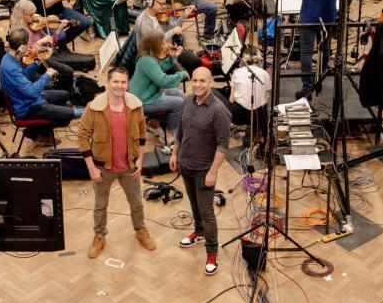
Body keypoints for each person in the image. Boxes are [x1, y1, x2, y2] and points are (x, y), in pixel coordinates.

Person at [79, 66, 155, 258]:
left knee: (137, 202)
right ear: (108, 83)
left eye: (123, 82)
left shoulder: (135, 106)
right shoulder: (94, 108)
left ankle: (140, 230)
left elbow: (143, 133)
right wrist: (91, 169)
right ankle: (99, 235)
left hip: (129, 166)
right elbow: (82, 137)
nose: (119, 86)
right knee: (100, 204)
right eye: (115, 82)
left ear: (127, 84)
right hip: (103, 168)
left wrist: (140, 159)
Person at [168, 66, 231, 276]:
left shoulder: (219, 111)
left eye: (202, 81)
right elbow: (180, 131)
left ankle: (212, 252)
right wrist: (175, 154)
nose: (197, 84)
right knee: (194, 204)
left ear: (210, 82)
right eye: (194, 80)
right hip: (185, 164)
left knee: (207, 212)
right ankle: (199, 232)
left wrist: (213, 171)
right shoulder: (187, 101)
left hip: (204, 170)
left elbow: (223, 145)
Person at [0, 29, 77, 123]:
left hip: (31, 98)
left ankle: (44, 127)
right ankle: (38, 132)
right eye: (27, 45)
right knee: (70, 113)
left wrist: (36, 63)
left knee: (64, 95)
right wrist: (46, 75)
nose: (30, 47)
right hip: (27, 108)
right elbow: (31, 92)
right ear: (21, 48)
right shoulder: (11, 68)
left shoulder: (8, 58)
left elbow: (23, 74)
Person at [129, 28, 188, 142]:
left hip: (149, 92)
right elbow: (163, 80)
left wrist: (175, 56)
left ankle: (154, 122)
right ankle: (170, 133)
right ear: (154, 44)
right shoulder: (147, 60)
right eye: (162, 42)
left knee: (180, 94)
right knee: (179, 103)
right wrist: (181, 75)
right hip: (143, 100)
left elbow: (160, 69)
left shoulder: (148, 54)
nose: (165, 44)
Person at [228, 46, 271, 144]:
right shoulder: (265, 73)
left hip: (238, 116)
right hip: (258, 116)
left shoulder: (237, 72)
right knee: (263, 102)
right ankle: (264, 133)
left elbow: (231, 98)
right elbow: (266, 97)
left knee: (217, 94)